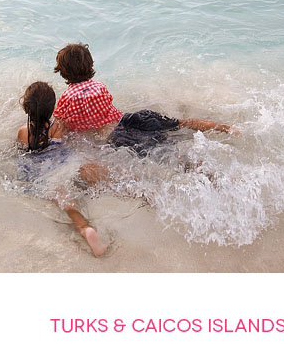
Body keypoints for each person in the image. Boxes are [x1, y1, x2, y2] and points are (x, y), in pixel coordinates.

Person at [51, 43, 238, 155]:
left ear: (63, 72)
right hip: (133, 118)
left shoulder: (66, 98)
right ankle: (226, 128)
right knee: (180, 124)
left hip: (118, 135)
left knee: (165, 151)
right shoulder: (99, 86)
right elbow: (107, 106)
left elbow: (61, 127)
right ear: (90, 65)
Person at [17, 81, 107, 257]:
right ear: (52, 108)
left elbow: (20, 155)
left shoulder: (23, 132)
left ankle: (84, 227)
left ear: (26, 110)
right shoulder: (57, 127)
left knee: (63, 197)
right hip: (64, 165)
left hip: (42, 174)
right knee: (87, 173)